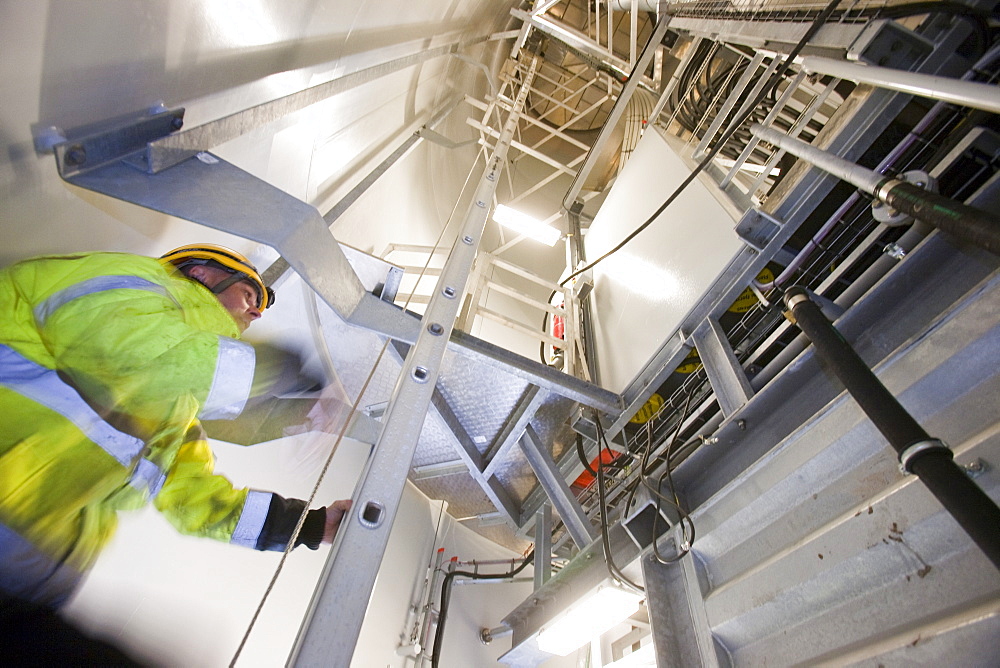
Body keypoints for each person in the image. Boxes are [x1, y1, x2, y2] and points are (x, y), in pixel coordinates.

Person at [0, 244, 351, 620]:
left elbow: (196, 501)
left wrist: (312, 526)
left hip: (31, 584)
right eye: (249, 295)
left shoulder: (174, 414)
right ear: (201, 274)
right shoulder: (129, 279)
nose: (256, 313)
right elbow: (131, 356)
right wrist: (290, 370)